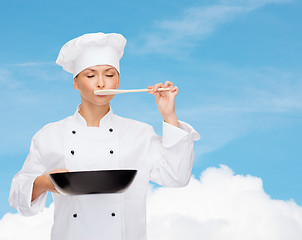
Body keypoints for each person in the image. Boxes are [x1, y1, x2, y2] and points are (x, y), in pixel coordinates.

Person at [9, 32, 200, 240]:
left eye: (109, 75)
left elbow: (177, 177)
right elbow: (17, 195)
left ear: (118, 81)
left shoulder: (139, 133)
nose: (101, 83)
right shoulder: (50, 135)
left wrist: (168, 114)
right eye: (90, 75)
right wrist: (43, 183)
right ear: (76, 82)